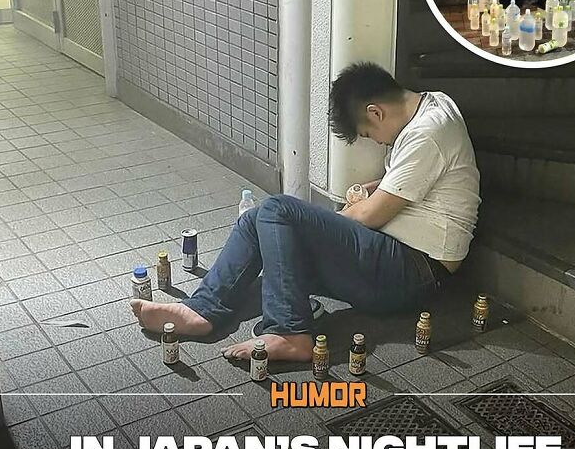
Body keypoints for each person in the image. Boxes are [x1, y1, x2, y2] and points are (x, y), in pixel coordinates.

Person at [130, 63, 481, 363]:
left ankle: (290, 332)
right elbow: (410, 181)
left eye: (369, 134)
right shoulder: (431, 104)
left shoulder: (428, 134)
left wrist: (321, 226)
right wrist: (373, 190)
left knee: (278, 210)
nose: (377, 142)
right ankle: (203, 310)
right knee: (258, 218)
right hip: (392, 255)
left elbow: (369, 217)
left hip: (415, 273)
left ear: (376, 111)